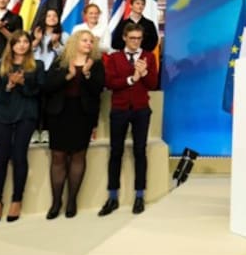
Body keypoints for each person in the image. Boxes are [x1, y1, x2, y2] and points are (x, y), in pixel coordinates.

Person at [42, 30, 105, 219]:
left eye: (91, 41)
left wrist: (86, 74)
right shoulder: (61, 61)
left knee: (78, 156)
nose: (88, 44)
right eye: (85, 40)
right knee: (58, 157)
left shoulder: (96, 64)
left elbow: (98, 90)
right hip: (59, 114)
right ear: (75, 42)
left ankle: (72, 201)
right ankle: (56, 202)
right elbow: (47, 86)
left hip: (82, 115)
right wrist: (68, 76)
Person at [99, 23, 159, 216]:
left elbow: (152, 84)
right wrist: (132, 78)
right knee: (116, 152)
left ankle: (139, 196)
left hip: (141, 109)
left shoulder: (148, 57)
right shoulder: (114, 58)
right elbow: (110, 83)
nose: (135, 42)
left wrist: (144, 73)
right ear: (124, 38)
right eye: (132, 38)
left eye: (139, 39)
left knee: (140, 151)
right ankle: (113, 197)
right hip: (119, 109)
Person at [0, 31, 44, 223]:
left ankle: (16, 200)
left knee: (19, 157)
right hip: (2, 115)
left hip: (26, 115)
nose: (21, 45)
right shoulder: (0, 66)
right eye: (17, 42)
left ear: (30, 44)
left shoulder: (37, 65)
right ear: (11, 45)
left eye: (25, 41)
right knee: (0, 159)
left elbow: (38, 92)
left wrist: (22, 84)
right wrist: (9, 86)